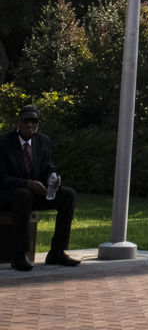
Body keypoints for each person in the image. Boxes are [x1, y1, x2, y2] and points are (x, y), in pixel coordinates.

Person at [0, 105, 79, 270]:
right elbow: (2, 178)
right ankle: (19, 255)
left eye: (34, 121)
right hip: (8, 194)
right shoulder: (4, 143)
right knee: (23, 195)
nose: (30, 125)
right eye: (26, 121)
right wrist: (27, 184)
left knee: (68, 195)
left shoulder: (43, 141)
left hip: (34, 192)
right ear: (18, 122)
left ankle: (57, 252)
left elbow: (47, 167)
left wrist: (54, 178)